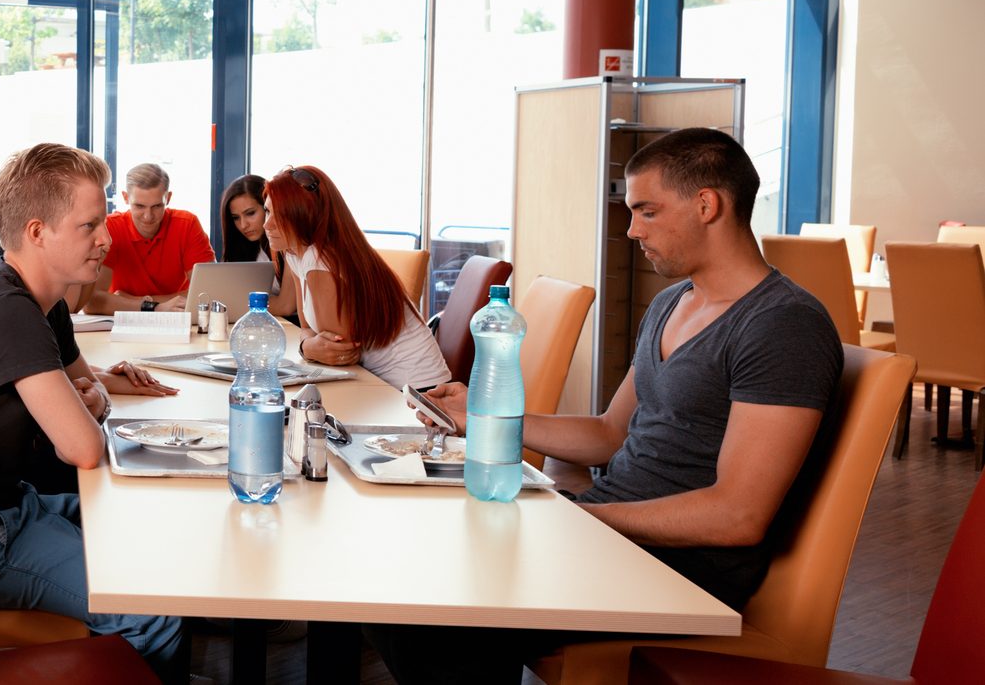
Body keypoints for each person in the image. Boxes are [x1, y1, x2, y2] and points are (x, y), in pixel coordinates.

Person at [367, 128, 844, 683]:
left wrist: (576, 519)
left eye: (645, 210)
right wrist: (483, 419)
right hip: (610, 537)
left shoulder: (783, 325)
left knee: (430, 616)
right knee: (399, 571)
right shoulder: (672, 302)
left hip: (678, 570)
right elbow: (609, 434)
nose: (631, 229)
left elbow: (737, 515)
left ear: (707, 204)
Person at [0, 142, 185, 680]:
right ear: (36, 232)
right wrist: (92, 399)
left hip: (6, 510)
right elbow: (81, 447)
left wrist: (89, 397)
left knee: (157, 528)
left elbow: (81, 395)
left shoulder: (26, 298)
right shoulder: (7, 310)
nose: (107, 238)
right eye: (89, 226)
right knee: (153, 609)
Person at [263, 165, 450, 390]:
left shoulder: (319, 259)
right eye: (267, 211)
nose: (267, 224)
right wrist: (309, 344)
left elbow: (340, 352)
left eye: (280, 216)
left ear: (304, 217)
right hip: (384, 385)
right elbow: (308, 330)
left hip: (415, 393)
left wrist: (307, 347)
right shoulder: (296, 252)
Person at [85, 162, 215, 313]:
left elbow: (208, 293)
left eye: (157, 206)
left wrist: (135, 301)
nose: (148, 217)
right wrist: (157, 307)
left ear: (168, 197)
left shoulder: (187, 224)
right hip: (128, 321)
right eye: (139, 206)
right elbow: (91, 303)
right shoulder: (111, 228)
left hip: (175, 315)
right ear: (126, 198)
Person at [214, 173, 299, 321]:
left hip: (297, 325)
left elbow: (286, 306)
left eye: (250, 213)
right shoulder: (248, 248)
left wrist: (234, 303)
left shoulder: (289, 244)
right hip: (270, 323)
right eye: (235, 218)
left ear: (268, 208)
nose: (243, 225)